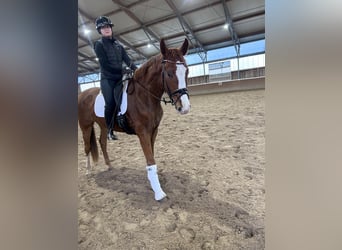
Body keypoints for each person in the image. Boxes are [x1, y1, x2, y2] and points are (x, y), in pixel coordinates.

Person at [94, 16, 137, 140]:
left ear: (111, 28)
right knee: (111, 103)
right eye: (103, 28)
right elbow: (105, 65)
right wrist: (122, 70)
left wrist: (137, 70)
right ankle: (109, 129)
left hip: (120, 78)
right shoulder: (99, 44)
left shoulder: (119, 45)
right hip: (107, 79)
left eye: (107, 27)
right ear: (100, 31)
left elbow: (128, 60)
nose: (106, 29)